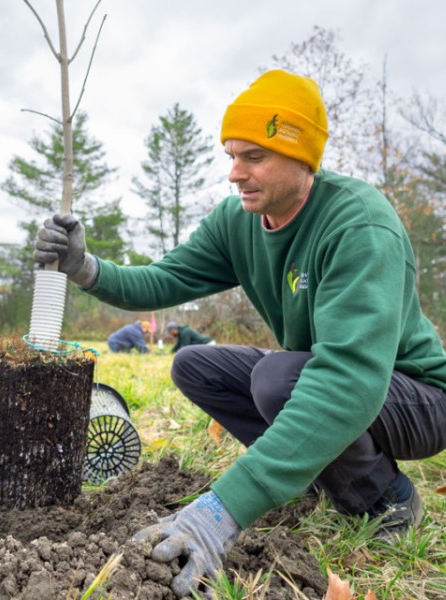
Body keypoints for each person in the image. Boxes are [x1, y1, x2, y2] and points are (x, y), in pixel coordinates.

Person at [34, 69, 446, 598]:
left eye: (254, 157)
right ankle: (315, 470)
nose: (234, 173)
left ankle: (385, 497)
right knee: (195, 365)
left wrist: (222, 508)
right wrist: (85, 266)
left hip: (417, 396)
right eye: (231, 155)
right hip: (336, 379)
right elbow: (165, 277)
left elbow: (349, 380)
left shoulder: (359, 226)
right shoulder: (239, 221)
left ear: (304, 158)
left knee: (279, 380)